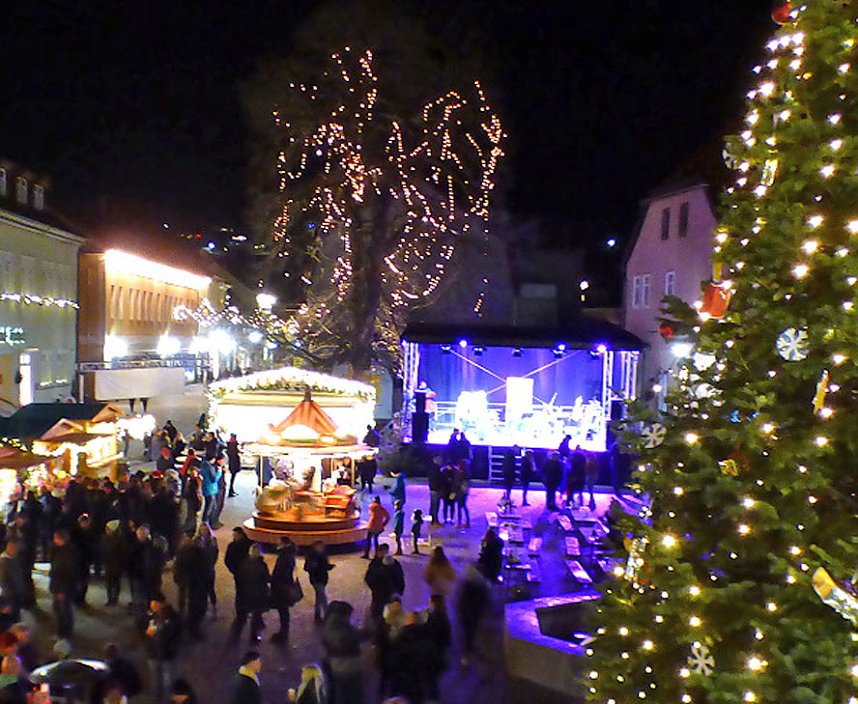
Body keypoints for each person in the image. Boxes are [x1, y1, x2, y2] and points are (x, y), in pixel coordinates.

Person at [322, 601, 363, 704]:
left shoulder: (329, 625)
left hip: (332, 664)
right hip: (344, 667)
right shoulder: (340, 629)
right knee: (344, 693)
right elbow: (353, 638)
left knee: (333, 688)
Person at [145, 594, 182, 704]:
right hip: (153, 655)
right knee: (156, 683)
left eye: (155, 605)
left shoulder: (174, 618)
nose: (153, 608)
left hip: (168, 657)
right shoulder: (151, 616)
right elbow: (146, 632)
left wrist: (171, 649)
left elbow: (178, 637)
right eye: (152, 605)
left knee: (169, 683)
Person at [232, 543, 270, 645]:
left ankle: (235, 635)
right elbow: (266, 578)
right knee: (256, 616)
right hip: (257, 594)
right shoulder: (261, 565)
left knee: (242, 616)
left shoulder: (244, 563)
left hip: (245, 593)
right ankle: (253, 638)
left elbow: (239, 578)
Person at [457, 566, 490, 666]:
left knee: (466, 634)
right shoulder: (481, 586)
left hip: (466, 614)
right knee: (471, 633)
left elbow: (461, 602)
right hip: (474, 614)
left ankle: (466, 654)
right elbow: (484, 600)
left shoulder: (465, 587)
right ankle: (471, 651)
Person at [49, 529, 78, 640]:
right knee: (61, 609)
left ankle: (64, 633)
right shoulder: (60, 550)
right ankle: (64, 631)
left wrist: (62, 591)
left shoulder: (67, 555)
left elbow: (67, 575)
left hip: (62, 588)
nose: (53, 540)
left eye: (55, 538)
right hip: (60, 586)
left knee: (63, 611)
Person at [365, 543, 405, 621]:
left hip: (388, 595)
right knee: (380, 615)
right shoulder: (376, 564)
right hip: (381, 595)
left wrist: (398, 591)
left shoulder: (392, 563)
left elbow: (400, 578)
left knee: (388, 616)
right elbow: (369, 578)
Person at [271, 537, 299, 643]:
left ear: (284, 544)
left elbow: (281, 572)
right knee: (283, 610)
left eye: (279, 542)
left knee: (283, 610)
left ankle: (283, 634)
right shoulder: (288, 554)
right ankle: (283, 633)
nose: (277, 543)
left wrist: (273, 579)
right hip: (284, 585)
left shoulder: (284, 556)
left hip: (281, 587)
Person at [425, 594, 452, 703]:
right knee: (433, 679)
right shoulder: (445, 618)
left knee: (430, 679)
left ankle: (432, 699)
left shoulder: (432, 618)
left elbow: (427, 632)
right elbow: (447, 637)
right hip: (440, 652)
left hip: (432, 652)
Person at [225, 527, 251, 622]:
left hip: (247, 574)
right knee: (240, 593)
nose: (234, 537)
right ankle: (241, 613)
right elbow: (227, 560)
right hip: (239, 574)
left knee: (246, 593)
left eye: (235, 535)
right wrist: (234, 571)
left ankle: (245, 611)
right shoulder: (232, 546)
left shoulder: (248, 544)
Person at [304, 541, 334, 624]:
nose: (321, 548)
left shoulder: (323, 555)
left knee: (319, 597)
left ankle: (317, 615)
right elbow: (306, 567)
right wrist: (313, 566)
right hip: (316, 579)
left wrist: (329, 567)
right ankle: (327, 615)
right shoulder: (311, 555)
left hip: (323, 578)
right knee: (323, 596)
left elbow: (325, 565)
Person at [0, 540, 26, 622]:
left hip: (14, 593)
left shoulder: (11, 560)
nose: (17, 553)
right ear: (11, 549)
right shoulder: (5, 562)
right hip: (11, 595)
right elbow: (5, 580)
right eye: (16, 550)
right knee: (12, 618)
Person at [101, 520, 125, 607]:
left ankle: (112, 598)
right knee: (112, 582)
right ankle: (112, 598)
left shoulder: (117, 539)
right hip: (112, 563)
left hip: (114, 563)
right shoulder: (107, 538)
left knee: (113, 582)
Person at [197, 522, 219, 617]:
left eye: (205, 529)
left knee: (210, 589)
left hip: (209, 568)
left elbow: (214, 555)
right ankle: (203, 609)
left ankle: (214, 609)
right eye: (202, 529)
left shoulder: (213, 541)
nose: (203, 531)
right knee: (201, 591)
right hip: (200, 569)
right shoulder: (197, 540)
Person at [199, 458, 220, 525]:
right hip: (210, 489)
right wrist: (219, 472)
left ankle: (209, 522)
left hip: (206, 488)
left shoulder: (203, 465)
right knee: (209, 507)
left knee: (210, 506)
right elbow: (214, 479)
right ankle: (205, 523)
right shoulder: (209, 467)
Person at [454, 460, 471, 529]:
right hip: (463, 492)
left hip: (461, 492)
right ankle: (466, 521)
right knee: (463, 506)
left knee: (460, 507)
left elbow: (457, 483)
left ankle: (460, 522)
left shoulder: (461, 473)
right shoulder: (466, 473)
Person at [426, 459, 442, 525]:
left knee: (433, 505)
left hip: (432, 489)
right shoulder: (437, 470)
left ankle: (432, 519)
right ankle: (435, 520)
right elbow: (439, 479)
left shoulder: (431, 469)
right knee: (435, 505)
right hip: (436, 489)